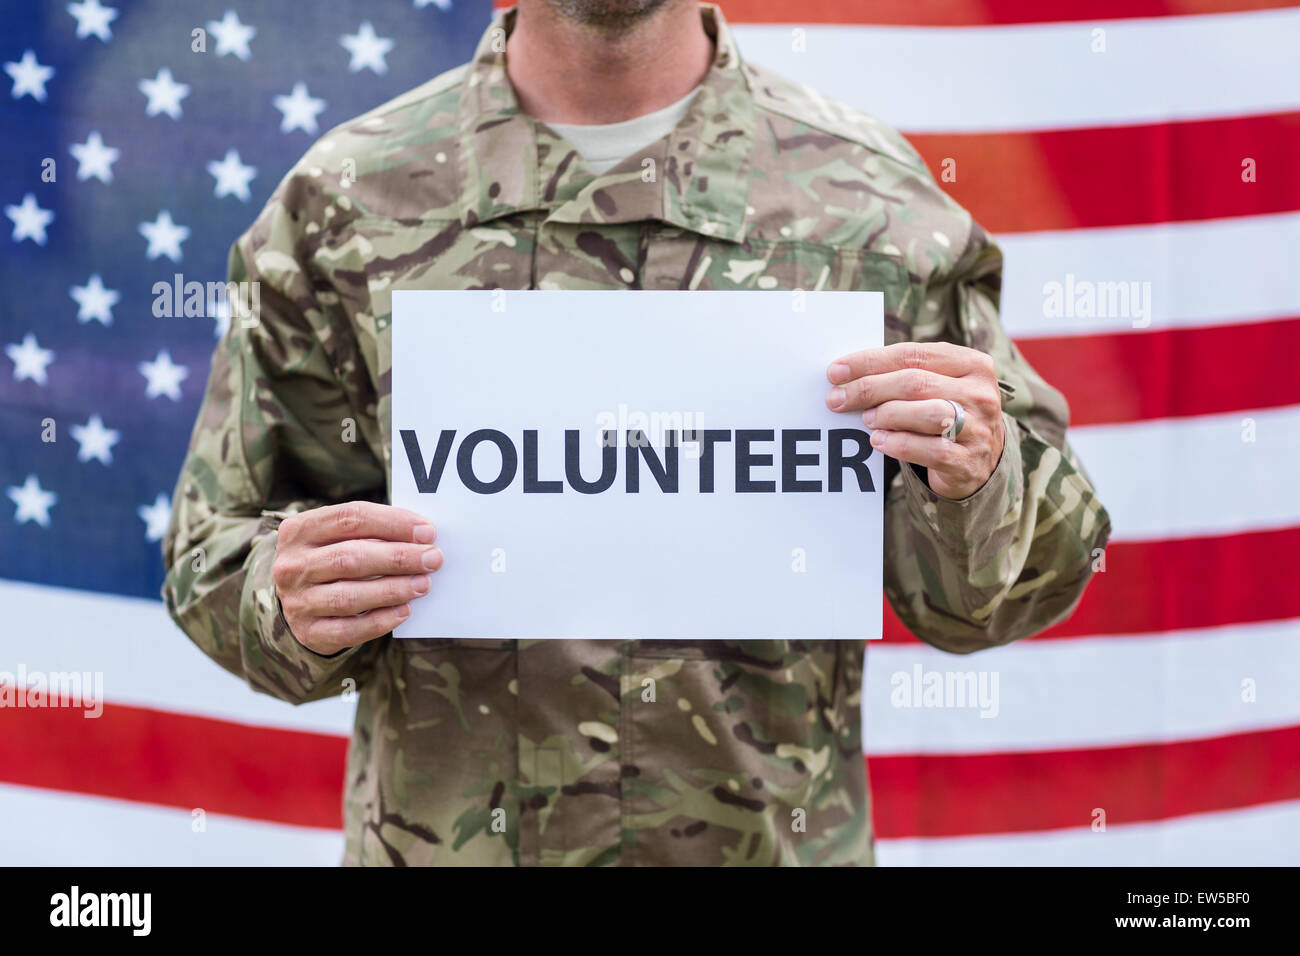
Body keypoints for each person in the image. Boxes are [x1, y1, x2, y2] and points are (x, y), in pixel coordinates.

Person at [163, 0, 1110, 866]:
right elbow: (213, 552)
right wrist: (287, 603)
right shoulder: (346, 205)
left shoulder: (876, 211)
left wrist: (980, 482)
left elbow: (1019, 587)